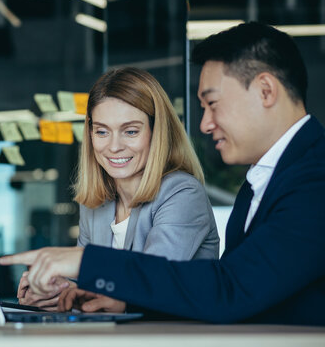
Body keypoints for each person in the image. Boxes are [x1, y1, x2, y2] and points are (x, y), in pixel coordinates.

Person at [0, 22, 325, 326]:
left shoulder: (321, 185)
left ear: (265, 90)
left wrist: (85, 264)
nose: (205, 123)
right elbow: (236, 291)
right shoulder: (265, 181)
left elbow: (230, 289)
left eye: (212, 104)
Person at [16, 67, 219, 310]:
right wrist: (53, 290)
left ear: (157, 132)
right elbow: (91, 289)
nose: (114, 147)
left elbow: (149, 282)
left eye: (130, 131)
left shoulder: (182, 193)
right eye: (102, 131)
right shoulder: (95, 205)